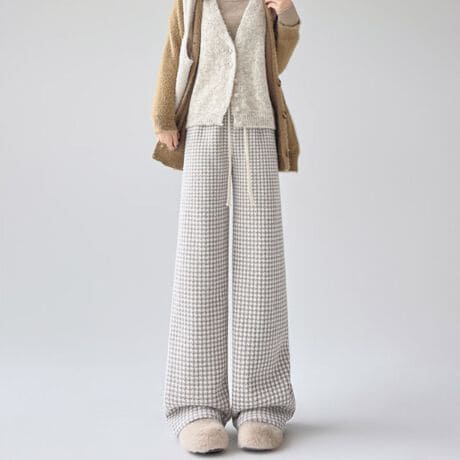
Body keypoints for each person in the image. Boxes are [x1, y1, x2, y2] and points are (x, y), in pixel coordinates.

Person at [151, 0, 301, 453]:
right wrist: (162, 116)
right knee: (199, 265)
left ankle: (261, 406)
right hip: (202, 129)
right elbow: (173, 51)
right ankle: (195, 406)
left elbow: (278, 58)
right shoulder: (190, 2)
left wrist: (288, 15)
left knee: (262, 268)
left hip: (257, 130)